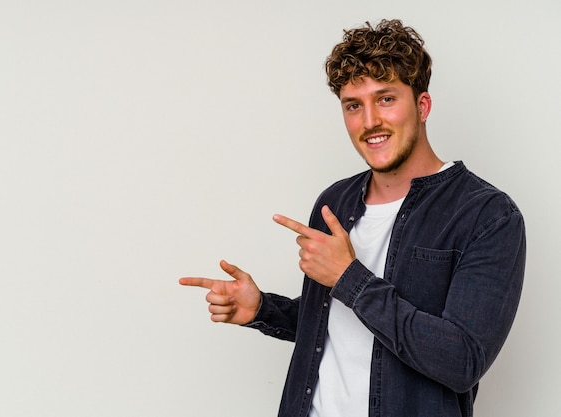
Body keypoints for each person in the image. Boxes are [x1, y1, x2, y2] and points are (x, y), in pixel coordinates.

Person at [179, 19, 526, 417]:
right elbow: (337, 327)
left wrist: (350, 278)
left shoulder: (488, 215)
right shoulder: (335, 202)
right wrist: (262, 309)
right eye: (353, 105)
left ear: (423, 105)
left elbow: (461, 360)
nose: (369, 121)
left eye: (386, 99)